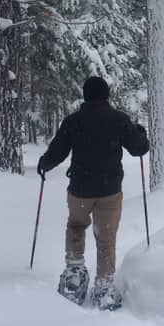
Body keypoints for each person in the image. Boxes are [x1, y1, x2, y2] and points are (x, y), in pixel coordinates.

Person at [37, 76, 149, 308]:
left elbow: (57, 151)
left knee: (76, 227)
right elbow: (139, 149)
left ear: (85, 95)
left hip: (80, 189)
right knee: (106, 238)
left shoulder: (73, 121)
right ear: (106, 95)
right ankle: (104, 286)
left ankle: (74, 276)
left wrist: (44, 164)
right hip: (109, 191)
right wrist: (140, 133)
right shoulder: (118, 120)